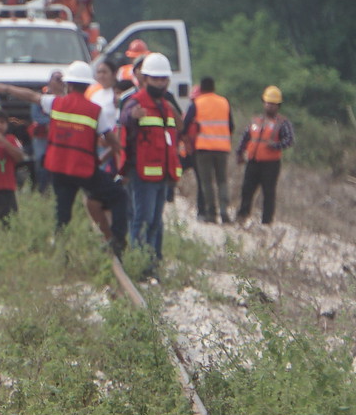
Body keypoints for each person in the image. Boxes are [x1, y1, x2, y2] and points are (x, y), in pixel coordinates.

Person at [0, 61, 122, 246]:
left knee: (63, 214)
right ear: (87, 86)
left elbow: (31, 96)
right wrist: (109, 156)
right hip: (85, 168)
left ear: (69, 84)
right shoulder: (95, 110)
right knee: (117, 196)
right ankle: (116, 240)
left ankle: (61, 250)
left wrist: (6, 88)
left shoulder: (55, 103)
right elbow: (112, 141)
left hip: (59, 167)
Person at [120, 53, 182, 264]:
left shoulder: (166, 106)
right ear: (145, 79)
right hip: (141, 174)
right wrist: (132, 117)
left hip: (162, 175)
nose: (160, 83)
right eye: (155, 79)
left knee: (155, 222)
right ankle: (139, 263)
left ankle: (152, 263)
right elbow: (124, 119)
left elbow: (175, 135)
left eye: (163, 79)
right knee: (142, 220)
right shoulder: (135, 103)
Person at [236, 85, 295, 226]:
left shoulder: (283, 123)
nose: (270, 106)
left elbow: (289, 140)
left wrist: (275, 145)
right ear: (263, 103)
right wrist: (239, 152)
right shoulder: (255, 121)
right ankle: (242, 216)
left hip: (271, 164)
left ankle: (266, 222)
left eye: (273, 104)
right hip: (253, 161)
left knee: (268, 193)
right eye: (268, 103)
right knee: (246, 190)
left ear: (278, 106)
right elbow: (245, 137)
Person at [183, 77, 233, 223]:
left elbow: (185, 125)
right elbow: (231, 126)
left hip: (203, 148)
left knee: (207, 182)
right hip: (222, 148)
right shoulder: (224, 102)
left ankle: (211, 213)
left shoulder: (197, 103)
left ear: (201, 89)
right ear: (214, 88)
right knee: (222, 181)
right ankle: (224, 212)